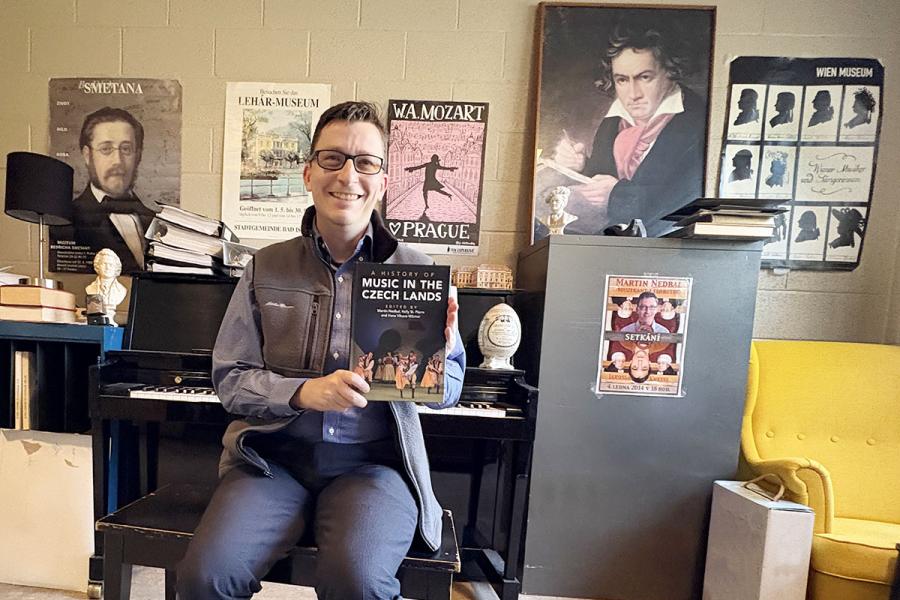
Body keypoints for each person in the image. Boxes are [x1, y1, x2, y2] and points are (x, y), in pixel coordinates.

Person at [176, 101, 466, 600]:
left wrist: (434, 361)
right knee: (205, 578)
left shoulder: (415, 272)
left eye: (366, 162)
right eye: (332, 159)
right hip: (273, 461)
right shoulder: (264, 267)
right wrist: (304, 393)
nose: (348, 175)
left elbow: (450, 392)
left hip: (373, 467)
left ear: (384, 179)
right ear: (309, 173)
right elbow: (230, 380)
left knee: (356, 583)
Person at [552, 17, 706, 236]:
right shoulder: (613, 123)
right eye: (622, 80)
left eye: (644, 77)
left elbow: (679, 202)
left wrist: (616, 195)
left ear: (671, 73)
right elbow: (602, 178)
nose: (633, 94)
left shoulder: (696, 123)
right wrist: (581, 166)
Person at [72, 107, 158, 273]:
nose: (117, 161)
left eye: (126, 149)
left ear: (138, 156)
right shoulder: (67, 220)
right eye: (106, 149)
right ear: (87, 155)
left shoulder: (155, 222)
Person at [84, 248, 127, 325]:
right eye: (104, 264)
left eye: (111, 265)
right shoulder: (90, 288)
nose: (107, 267)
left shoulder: (121, 290)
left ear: (116, 268)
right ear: (98, 266)